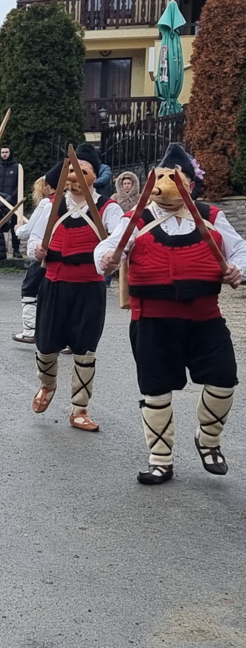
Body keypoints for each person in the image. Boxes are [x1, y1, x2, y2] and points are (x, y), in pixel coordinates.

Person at [96, 144, 246, 485]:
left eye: (173, 179)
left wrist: (238, 269)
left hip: (205, 316)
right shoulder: (137, 218)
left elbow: (240, 249)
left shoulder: (210, 217)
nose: (164, 187)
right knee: (156, 389)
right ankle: (160, 458)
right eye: (160, 179)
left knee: (224, 380)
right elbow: (109, 246)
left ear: (189, 185)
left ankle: (208, 440)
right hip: (152, 318)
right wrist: (106, 259)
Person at [28, 144, 124, 432]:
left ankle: (79, 408)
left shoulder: (109, 208)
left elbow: (119, 242)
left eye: (83, 170)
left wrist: (112, 259)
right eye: (72, 169)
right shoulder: (51, 204)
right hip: (54, 283)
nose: (76, 174)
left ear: (94, 176)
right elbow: (33, 238)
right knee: (45, 346)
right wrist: (37, 249)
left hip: (89, 287)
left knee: (85, 350)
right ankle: (47, 385)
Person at [13, 167, 58, 345]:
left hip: (45, 254)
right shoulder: (68, 201)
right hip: (61, 253)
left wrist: (18, 229)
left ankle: (30, 330)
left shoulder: (47, 204)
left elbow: (31, 231)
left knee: (29, 289)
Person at [0, 145, 24, 257]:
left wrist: (11, 198)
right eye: (2, 152)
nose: (4, 154)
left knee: (15, 226)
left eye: (6, 152)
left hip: (13, 203)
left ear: (10, 153)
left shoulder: (17, 167)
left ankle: (16, 250)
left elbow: (19, 185)